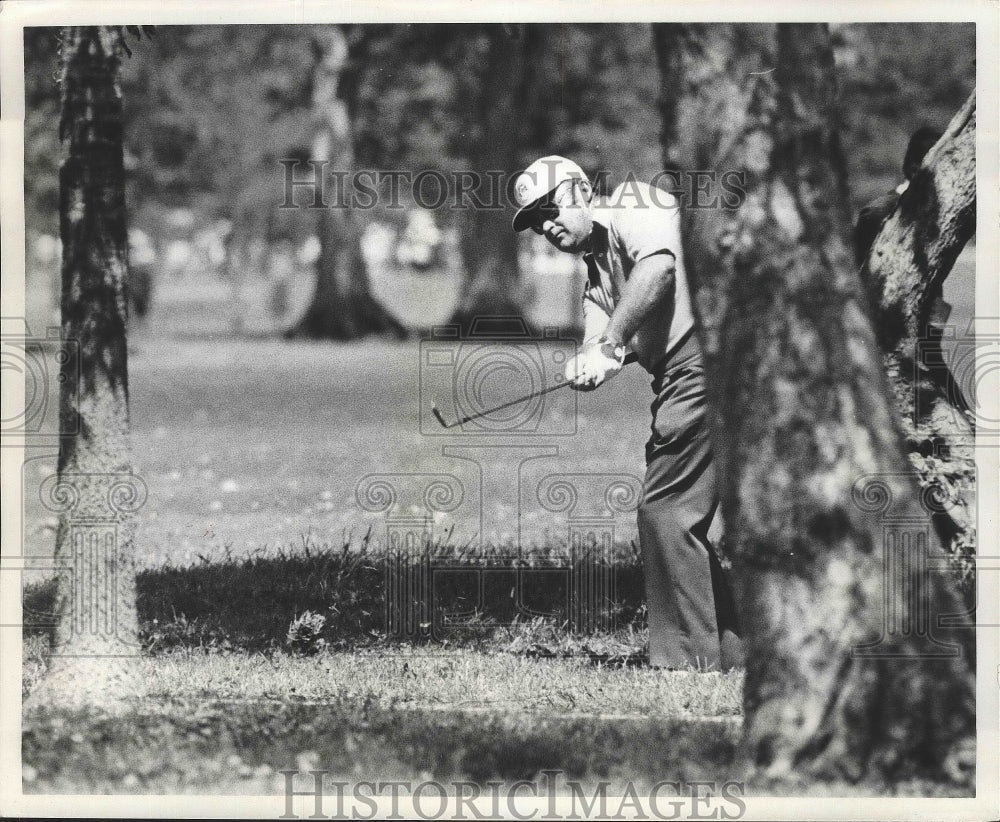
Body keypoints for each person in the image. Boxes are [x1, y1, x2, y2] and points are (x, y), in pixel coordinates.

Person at [511, 156, 742, 671]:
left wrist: (613, 343)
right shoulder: (594, 272)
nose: (547, 226)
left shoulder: (637, 205)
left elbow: (659, 269)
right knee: (676, 515)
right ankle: (733, 653)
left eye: (550, 208)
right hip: (681, 379)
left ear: (579, 191)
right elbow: (602, 337)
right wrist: (591, 363)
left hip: (710, 361)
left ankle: (689, 663)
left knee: (667, 511)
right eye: (534, 221)